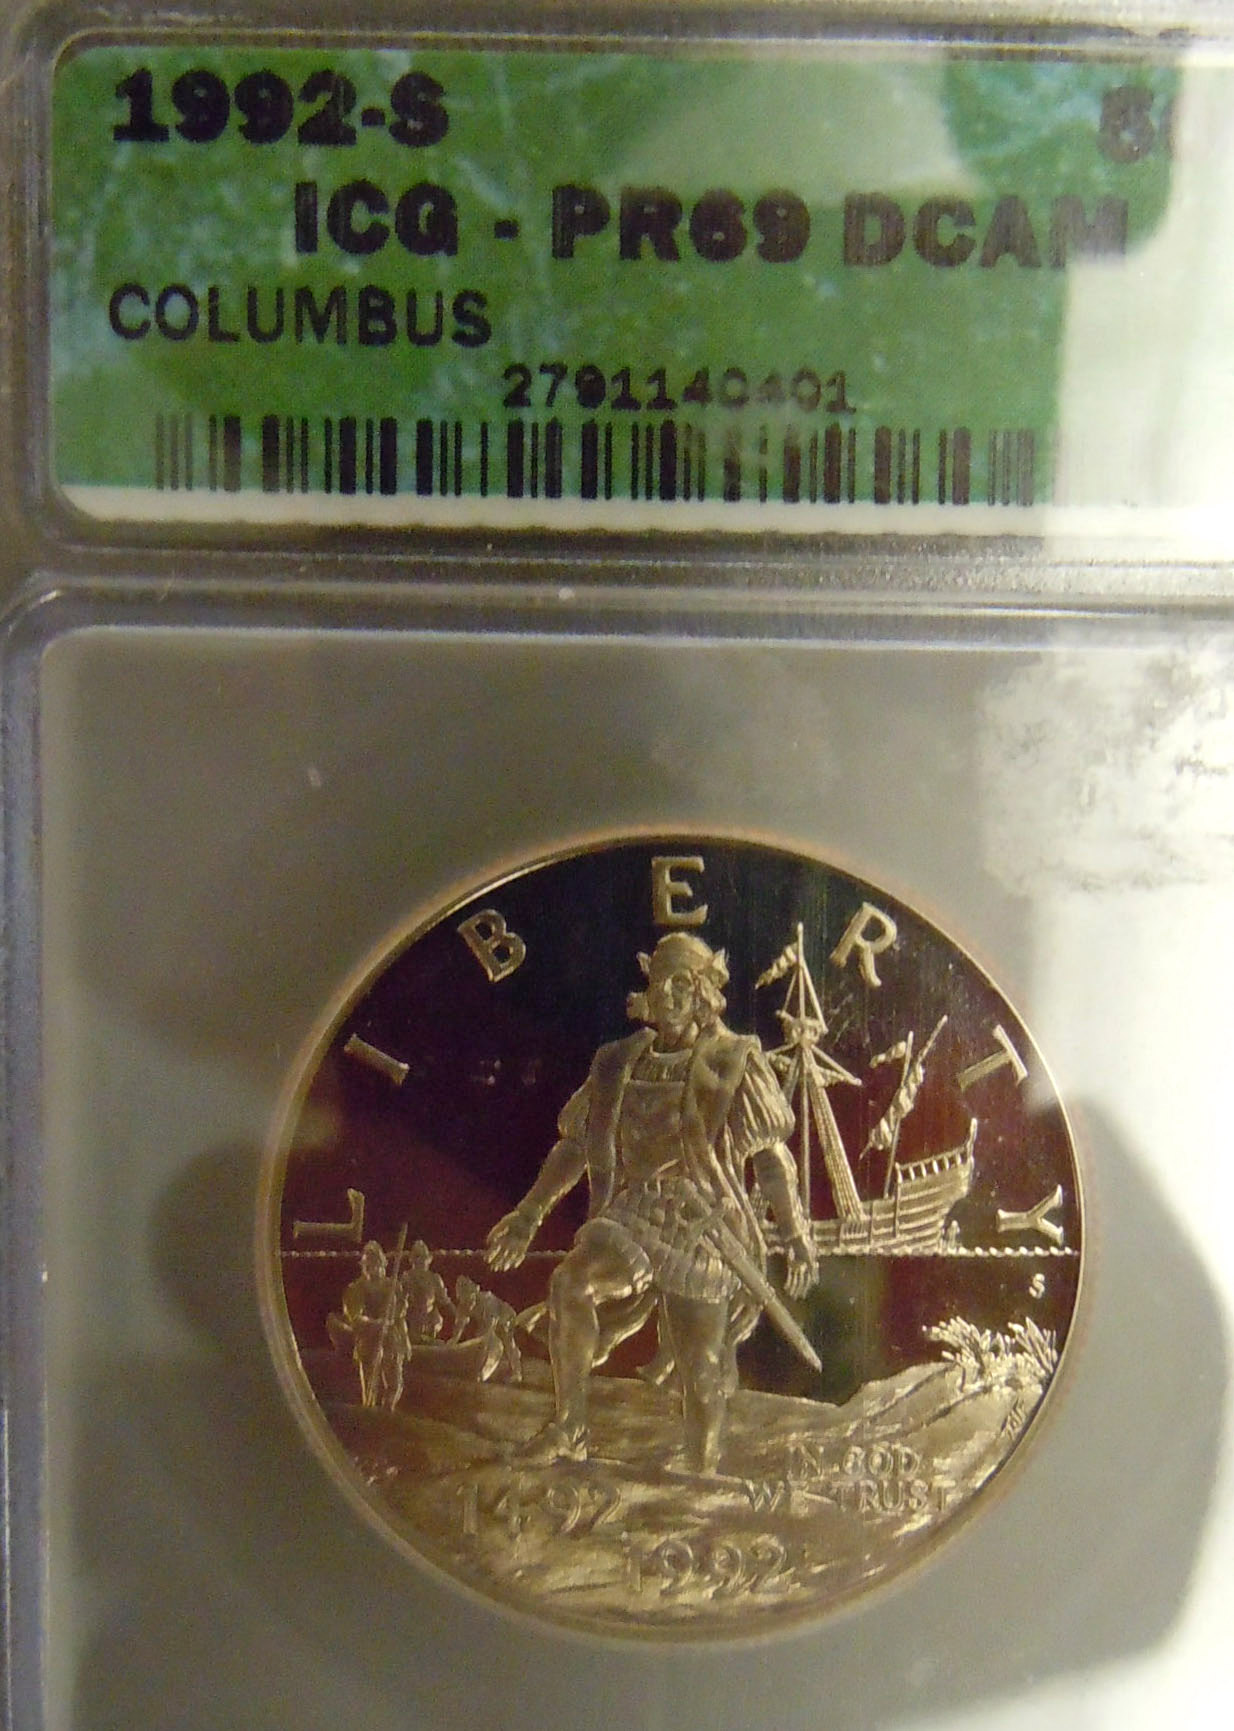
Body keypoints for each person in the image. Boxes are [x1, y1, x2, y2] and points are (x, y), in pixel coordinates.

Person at [486, 932, 817, 1473]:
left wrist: (796, 1235)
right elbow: (575, 1144)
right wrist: (529, 1214)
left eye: (682, 983)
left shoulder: (734, 1060)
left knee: (700, 1367)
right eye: (660, 982)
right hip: (632, 1214)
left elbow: (770, 1157)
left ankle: (701, 1469)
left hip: (705, 1224)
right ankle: (569, 1428)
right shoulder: (616, 1062)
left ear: (705, 992)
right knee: (572, 1283)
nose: (668, 994)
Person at [326, 1239, 412, 1410]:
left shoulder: (393, 1286)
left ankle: (388, 1411)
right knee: (370, 1388)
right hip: (368, 1341)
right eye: (368, 1264)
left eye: (376, 1263)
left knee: (394, 1383)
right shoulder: (356, 1289)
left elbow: (400, 1317)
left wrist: (405, 1341)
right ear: (363, 1266)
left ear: (383, 1264)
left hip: (391, 1339)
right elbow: (355, 1318)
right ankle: (370, 1410)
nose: (372, 1268)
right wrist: (377, 1324)